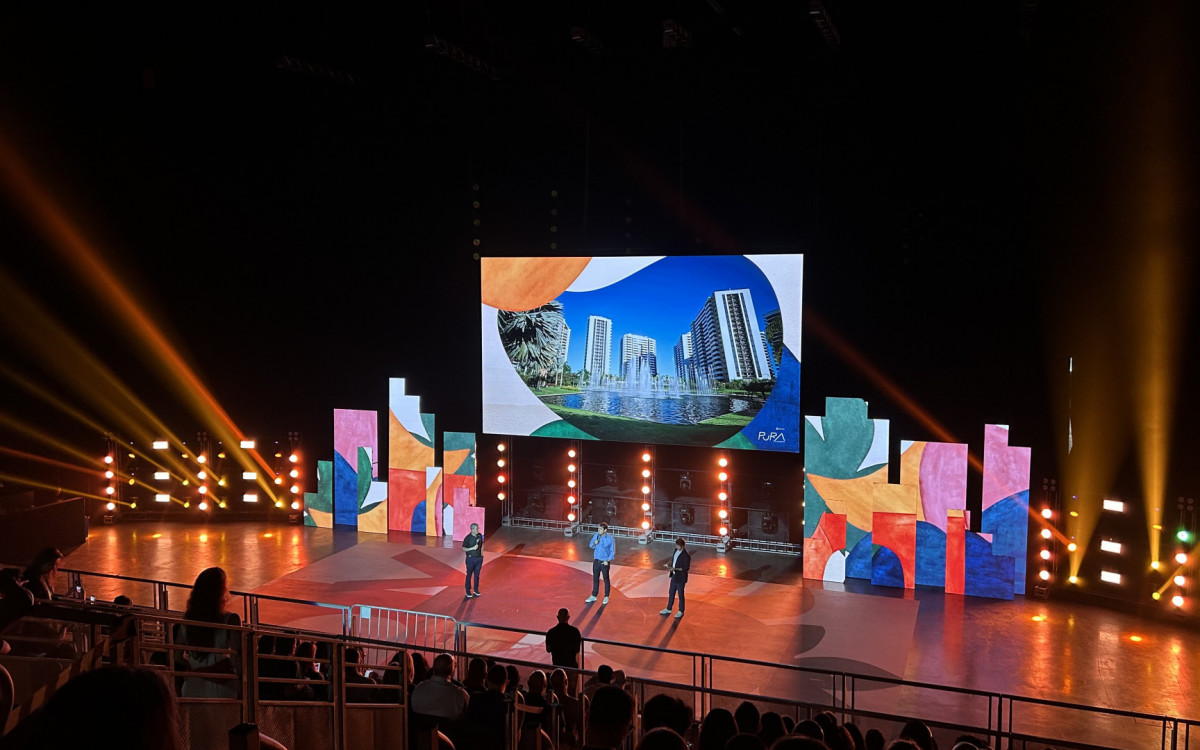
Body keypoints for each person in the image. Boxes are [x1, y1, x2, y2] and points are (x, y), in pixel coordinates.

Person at [175, 566, 241, 698]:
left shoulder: (187, 620)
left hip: (192, 687)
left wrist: (197, 669)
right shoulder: (230, 619)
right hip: (221, 687)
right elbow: (238, 657)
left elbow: (176, 656)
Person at [659, 538, 691, 618]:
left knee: (680, 594)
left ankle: (681, 610)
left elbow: (685, 568)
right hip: (674, 576)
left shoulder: (686, 556)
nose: (676, 547)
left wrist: (675, 569)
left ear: (682, 546)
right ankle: (669, 608)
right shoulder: (676, 550)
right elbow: (674, 560)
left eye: (678, 546)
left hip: (681, 578)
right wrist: (669, 564)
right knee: (671, 593)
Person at [586, 522, 615, 604]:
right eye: (598, 529)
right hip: (596, 560)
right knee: (595, 578)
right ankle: (594, 595)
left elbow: (612, 551)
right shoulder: (596, 535)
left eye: (601, 529)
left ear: (605, 530)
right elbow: (590, 545)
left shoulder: (610, 539)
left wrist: (607, 560)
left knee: (606, 579)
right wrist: (594, 543)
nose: (599, 530)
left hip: (604, 562)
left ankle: (606, 596)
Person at [463, 522, 484, 597]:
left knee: (477, 575)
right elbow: (463, 548)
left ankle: (476, 589)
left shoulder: (479, 535)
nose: (478, 530)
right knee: (469, 574)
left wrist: (481, 554)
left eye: (478, 528)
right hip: (470, 559)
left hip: (479, 558)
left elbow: (482, 544)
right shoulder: (467, 538)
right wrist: (472, 548)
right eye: (476, 529)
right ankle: (468, 591)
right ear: (472, 530)